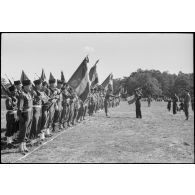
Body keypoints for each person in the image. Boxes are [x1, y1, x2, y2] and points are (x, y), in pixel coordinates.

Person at [17, 79, 33, 154]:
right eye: (29, 86)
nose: (30, 87)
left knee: (27, 130)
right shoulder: (22, 95)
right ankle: (20, 148)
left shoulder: (28, 94)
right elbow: (20, 107)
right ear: (25, 86)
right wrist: (20, 117)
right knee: (23, 130)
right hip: (24, 115)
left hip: (29, 114)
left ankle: (24, 146)